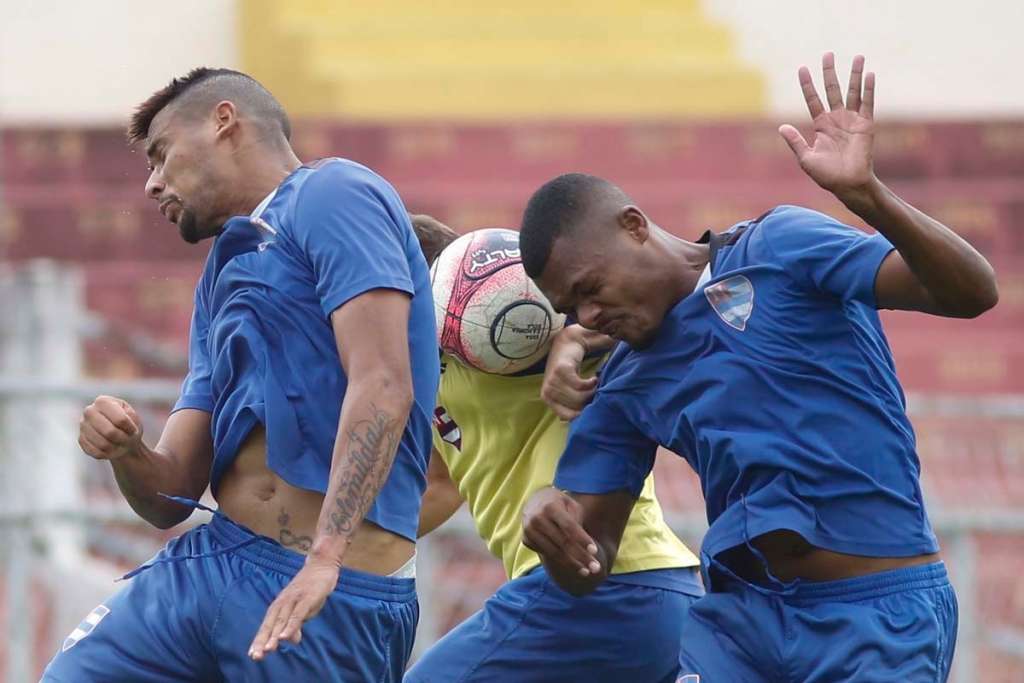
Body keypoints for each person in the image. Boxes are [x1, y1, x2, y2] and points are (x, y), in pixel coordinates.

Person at [518, 53, 997, 682]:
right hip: (741, 632)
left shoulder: (781, 247)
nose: (587, 312)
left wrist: (868, 197)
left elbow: (972, 294)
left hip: (877, 620)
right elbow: (591, 560)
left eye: (590, 287)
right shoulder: (624, 381)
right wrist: (550, 531)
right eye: (569, 307)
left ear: (633, 226)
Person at [43, 68, 439, 682]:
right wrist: (127, 452)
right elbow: (170, 493)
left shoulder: (333, 193)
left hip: (326, 587)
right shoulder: (219, 278)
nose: (151, 184)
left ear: (223, 121)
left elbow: (384, 382)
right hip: (209, 560)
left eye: (161, 154)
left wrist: (325, 559)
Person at [403, 217, 704, 683]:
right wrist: (338, 555)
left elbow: (652, 310)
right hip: (644, 595)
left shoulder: (510, 331)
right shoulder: (433, 366)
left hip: (605, 586)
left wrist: (574, 337)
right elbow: (442, 485)